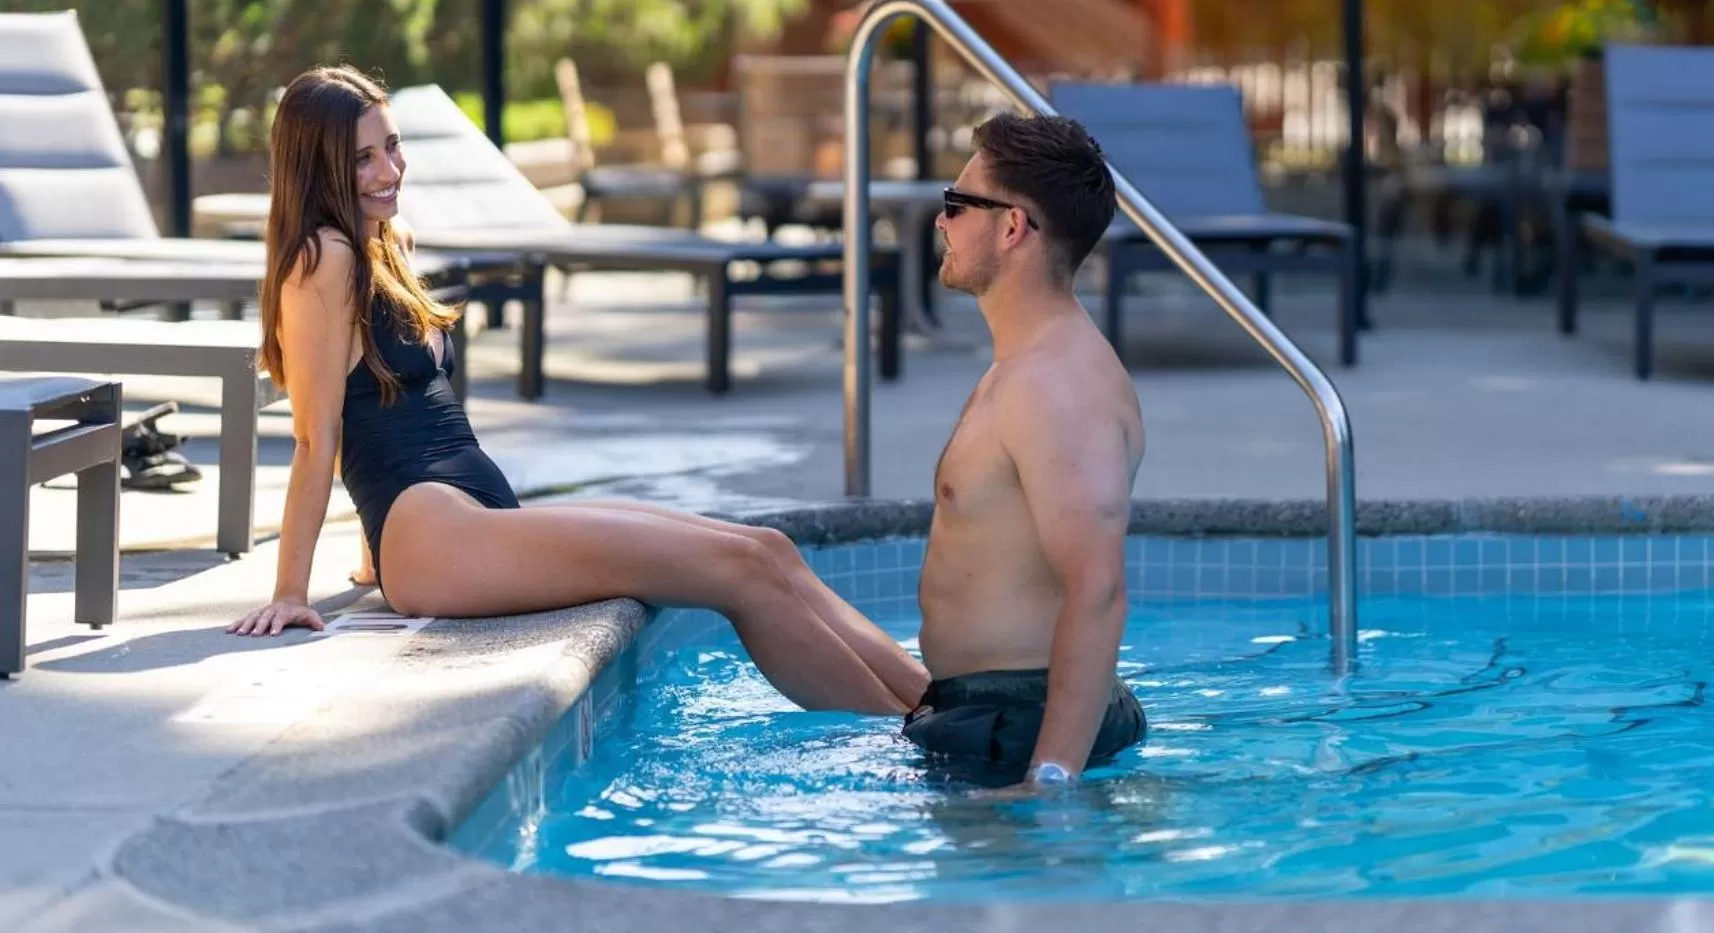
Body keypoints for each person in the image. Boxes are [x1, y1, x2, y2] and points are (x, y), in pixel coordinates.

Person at [228, 65, 928, 719]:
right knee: (737, 569)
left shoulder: (384, 241)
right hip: (431, 528)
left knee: (768, 547)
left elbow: (381, 394)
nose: (390, 170)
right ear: (317, 168)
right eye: (362, 159)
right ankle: (915, 734)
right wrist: (291, 590)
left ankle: (938, 700)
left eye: (392, 146)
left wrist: (366, 549)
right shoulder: (323, 259)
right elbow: (319, 435)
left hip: (459, 512)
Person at [903, 114, 1148, 789]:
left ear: (1012, 227)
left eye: (956, 204)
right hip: (986, 717)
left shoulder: (1056, 386)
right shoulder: (1025, 367)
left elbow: (1097, 587)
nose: (940, 222)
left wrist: (1051, 777)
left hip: (1018, 729)